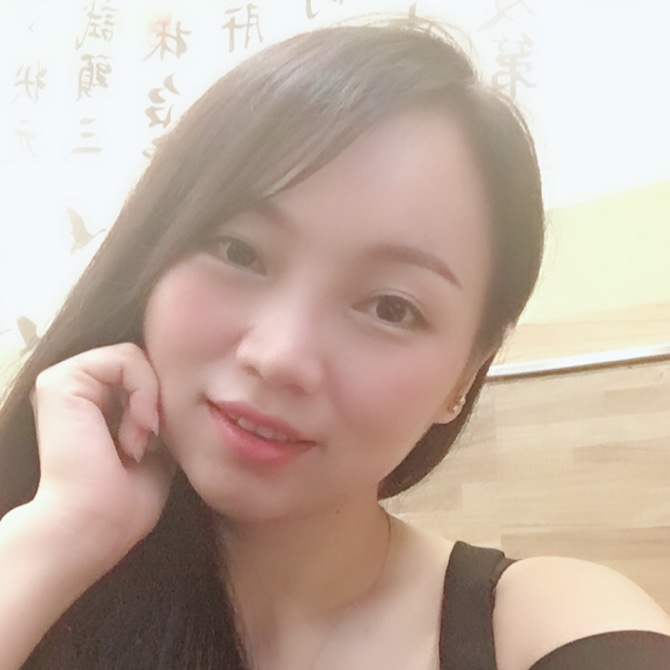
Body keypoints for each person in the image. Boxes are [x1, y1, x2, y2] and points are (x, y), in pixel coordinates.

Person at [0, 19, 669, 670]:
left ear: (465, 376)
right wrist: (66, 533)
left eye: (391, 308)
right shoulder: (38, 558)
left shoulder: (539, 624)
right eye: (239, 251)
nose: (280, 357)